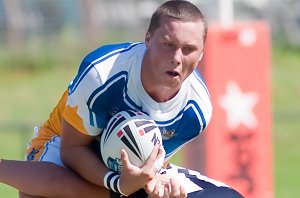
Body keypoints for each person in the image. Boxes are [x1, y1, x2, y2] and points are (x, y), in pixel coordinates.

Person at [0, 1, 244, 197]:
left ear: (202, 53)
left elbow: (147, 162)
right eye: (168, 44)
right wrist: (118, 185)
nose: (177, 58)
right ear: (148, 39)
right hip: (63, 144)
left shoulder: (197, 111)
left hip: (119, 165)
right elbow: (71, 150)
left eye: (189, 49)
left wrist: (156, 184)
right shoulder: (102, 73)